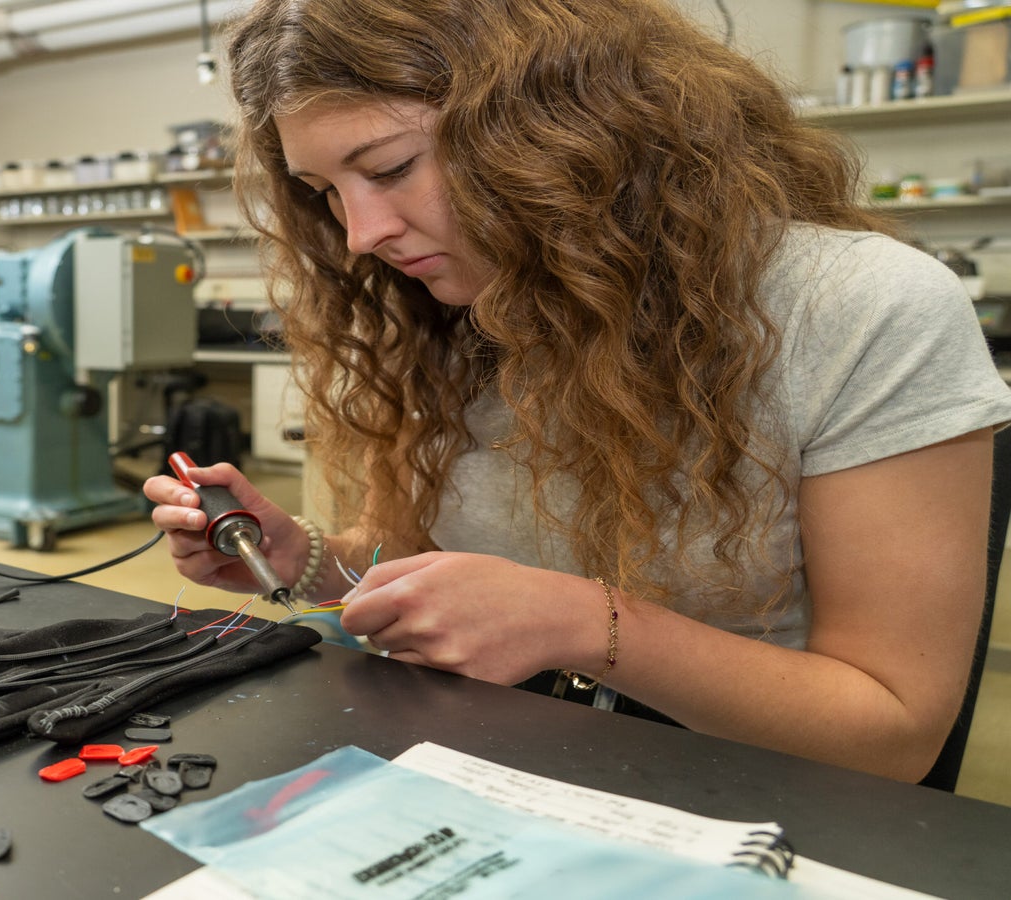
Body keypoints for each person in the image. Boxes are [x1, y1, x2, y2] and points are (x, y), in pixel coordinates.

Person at [143, 0, 1011, 783]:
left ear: (557, 126)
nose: (362, 235)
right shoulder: (450, 312)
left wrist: (586, 625)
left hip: (746, 793)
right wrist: (306, 559)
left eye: (392, 167)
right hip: (501, 759)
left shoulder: (864, 310)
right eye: (326, 192)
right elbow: (402, 558)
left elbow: (892, 732)